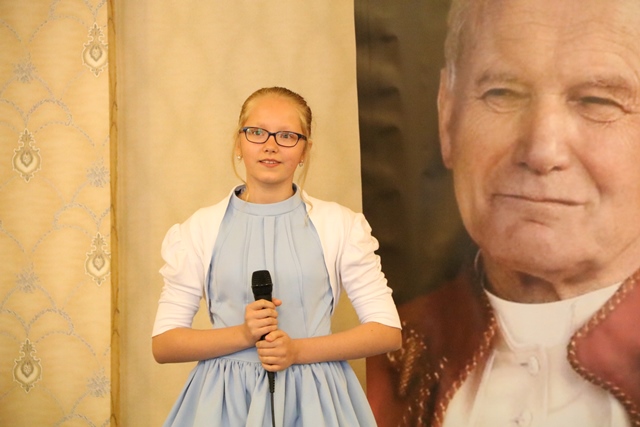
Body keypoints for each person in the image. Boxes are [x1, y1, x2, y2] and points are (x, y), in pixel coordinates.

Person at [367, 0, 640, 426]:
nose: (541, 151)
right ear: (447, 117)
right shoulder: (366, 368)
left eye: (597, 101)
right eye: (502, 94)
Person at [152, 86, 402, 427]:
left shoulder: (341, 225)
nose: (270, 145)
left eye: (287, 136)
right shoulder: (198, 229)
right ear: (238, 143)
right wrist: (243, 334)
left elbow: (387, 331)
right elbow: (164, 344)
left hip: (315, 402)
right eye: (257, 132)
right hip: (224, 403)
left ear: (305, 150)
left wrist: (297, 351)